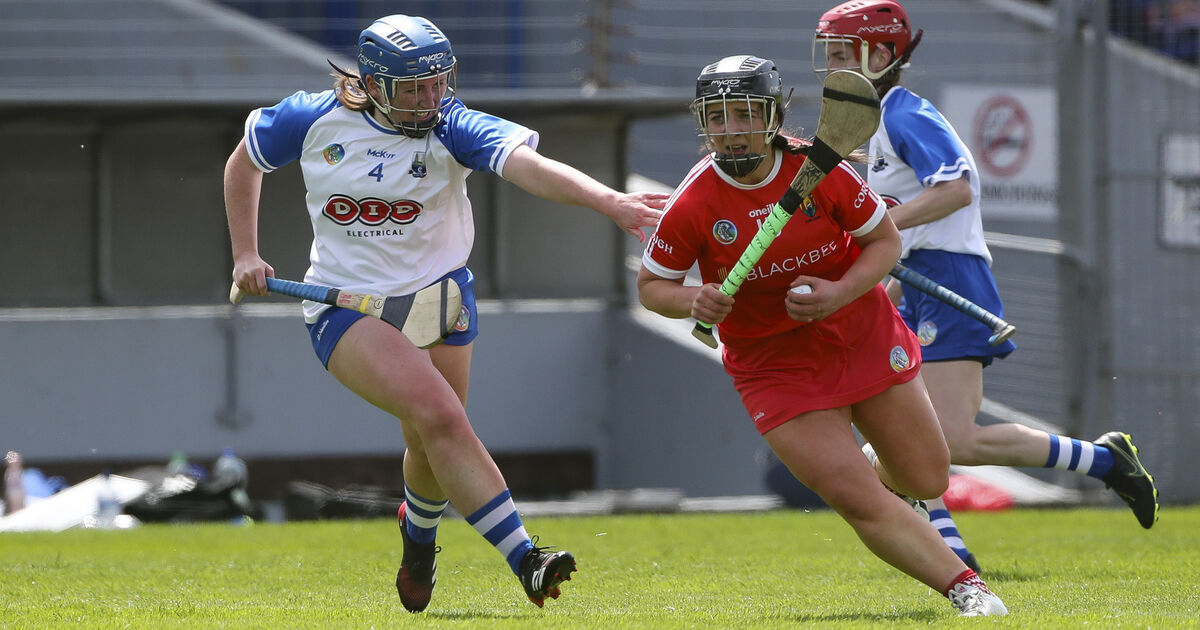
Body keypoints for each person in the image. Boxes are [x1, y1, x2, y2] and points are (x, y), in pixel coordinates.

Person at [223, 14, 667, 612]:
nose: (430, 99)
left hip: (440, 299)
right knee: (441, 418)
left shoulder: (451, 126)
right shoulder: (310, 117)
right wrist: (246, 253)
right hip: (347, 309)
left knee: (429, 438)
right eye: (413, 88)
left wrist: (610, 202)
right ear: (374, 84)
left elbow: (528, 167)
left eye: (437, 83)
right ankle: (527, 559)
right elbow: (242, 164)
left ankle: (418, 537)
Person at [638, 54, 1006, 616]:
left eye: (745, 114)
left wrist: (839, 292)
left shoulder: (822, 170)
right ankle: (965, 588)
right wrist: (693, 298)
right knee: (855, 496)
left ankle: (875, 459)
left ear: (773, 114)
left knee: (927, 475)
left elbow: (883, 244)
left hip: (858, 329)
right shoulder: (694, 201)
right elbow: (651, 287)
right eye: (718, 117)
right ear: (702, 121)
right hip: (773, 364)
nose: (732, 131)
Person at [812, 0, 1160, 572]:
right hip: (913, 282)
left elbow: (958, 188)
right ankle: (955, 550)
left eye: (841, 56)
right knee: (891, 446)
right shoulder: (874, 127)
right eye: (826, 56)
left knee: (948, 443)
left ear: (880, 55)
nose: (830, 69)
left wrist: (878, 224)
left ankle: (1103, 460)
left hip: (949, 276)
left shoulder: (904, 112)